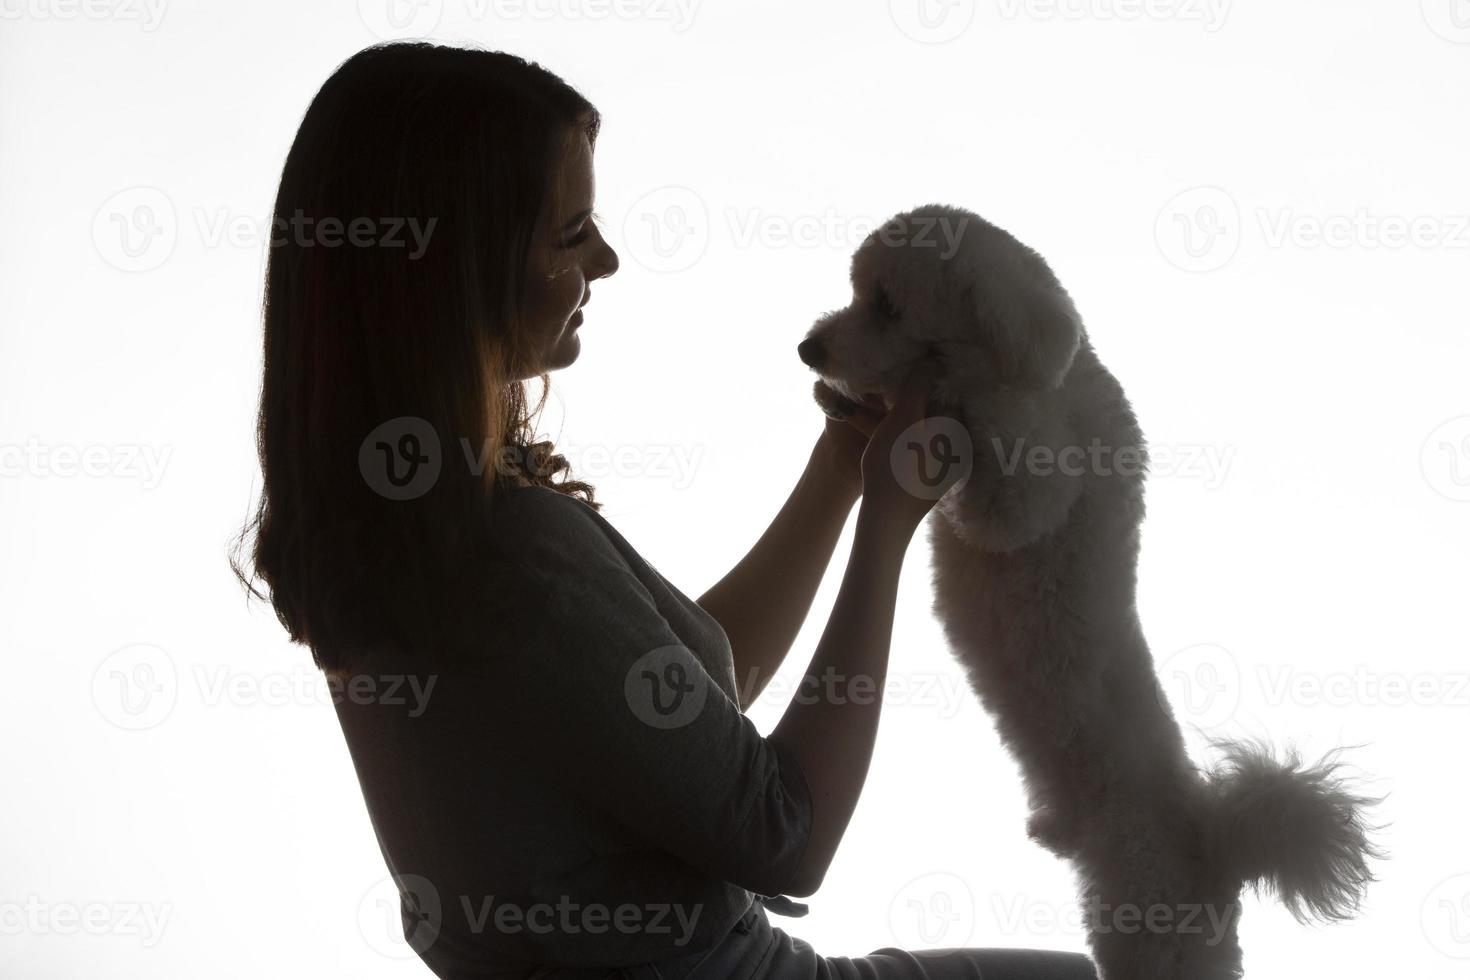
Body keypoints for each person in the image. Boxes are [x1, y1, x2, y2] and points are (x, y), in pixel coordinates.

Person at [232, 40, 1098, 980]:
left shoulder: (398, 536)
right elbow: (785, 831)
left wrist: (842, 468)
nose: (606, 258)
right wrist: (888, 527)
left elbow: (674, 719)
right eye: (570, 235)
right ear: (457, 267)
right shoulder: (514, 552)